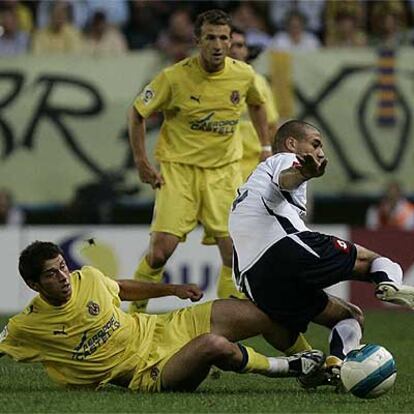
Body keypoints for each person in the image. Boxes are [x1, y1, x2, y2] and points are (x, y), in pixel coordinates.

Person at [229, 120, 414, 387]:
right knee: (375, 261)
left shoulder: (250, 187)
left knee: (349, 316)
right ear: (292, 144)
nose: (321, 152)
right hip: (284, 248)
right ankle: (388, 282)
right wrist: (303, 173)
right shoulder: (283, 159)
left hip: (256, 282)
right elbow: (286, 179)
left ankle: (336, 366)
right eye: (315, 144)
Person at [0, 241, 325, 392]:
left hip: (163, 327)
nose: (63, 276)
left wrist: (172, 290)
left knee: (261, 312)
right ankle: (288, 368)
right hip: (148, 370)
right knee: (214, 345)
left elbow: (122, 289)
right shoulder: (25, 326)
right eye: (51, 275)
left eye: (62, 267)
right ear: (33, 284)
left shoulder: (90, 278)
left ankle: (320, 371)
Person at [127, 9, 272, 312]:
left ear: (231, 41)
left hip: (223, 174)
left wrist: (265, 146)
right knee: (159, 254)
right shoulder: (174, 77)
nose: (218, 45)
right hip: (179, 172)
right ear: (197, 40)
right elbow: (137, 112)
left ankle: (225, 321)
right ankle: (134, 316)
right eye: (210, 38)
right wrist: (141, 161)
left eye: (223, 38)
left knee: (232, 255)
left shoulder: (244, 75)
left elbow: (258, 105)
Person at [229, 26, 279, 183]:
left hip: (253, 162)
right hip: (222, 164)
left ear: (246, 50)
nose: (235, 50)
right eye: (231, 45)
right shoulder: (208, 84)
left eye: (240, 45)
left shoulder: (259, 82)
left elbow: (271, 124)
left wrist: (268, 150)